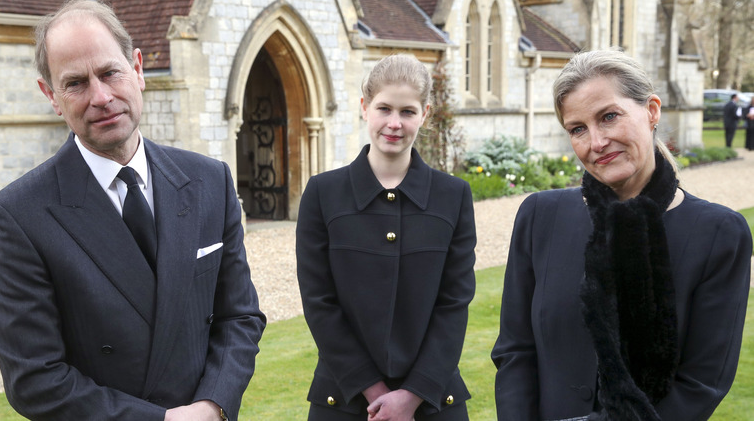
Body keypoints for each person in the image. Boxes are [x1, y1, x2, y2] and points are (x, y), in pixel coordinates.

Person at [0, 0, 265, 420]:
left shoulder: (211, 181)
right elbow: (34, 379)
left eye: (110, 72)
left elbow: (239, 317)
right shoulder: (19, 216)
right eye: (76, 83)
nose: (100, 96)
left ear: (137, 69)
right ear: (51, 96)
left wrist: (213, 405)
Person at [491, 49, 751, 420]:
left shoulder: (718, 233)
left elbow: (702, 383)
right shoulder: (540, 215)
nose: (596, 142)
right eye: (577, 129)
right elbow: (514, 350)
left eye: (609, 117)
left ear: (652, 111)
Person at [296, 54, 477, 421]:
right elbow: (320, 303)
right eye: (384, 109)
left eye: (408, 112)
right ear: (365, 108)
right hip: (344, 403)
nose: (394, 124)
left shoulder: (453, 195)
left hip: (432, 402)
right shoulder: (322, 193)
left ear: (424, 114)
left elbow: (453, 303)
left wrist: (411, 395)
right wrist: (376, 392)